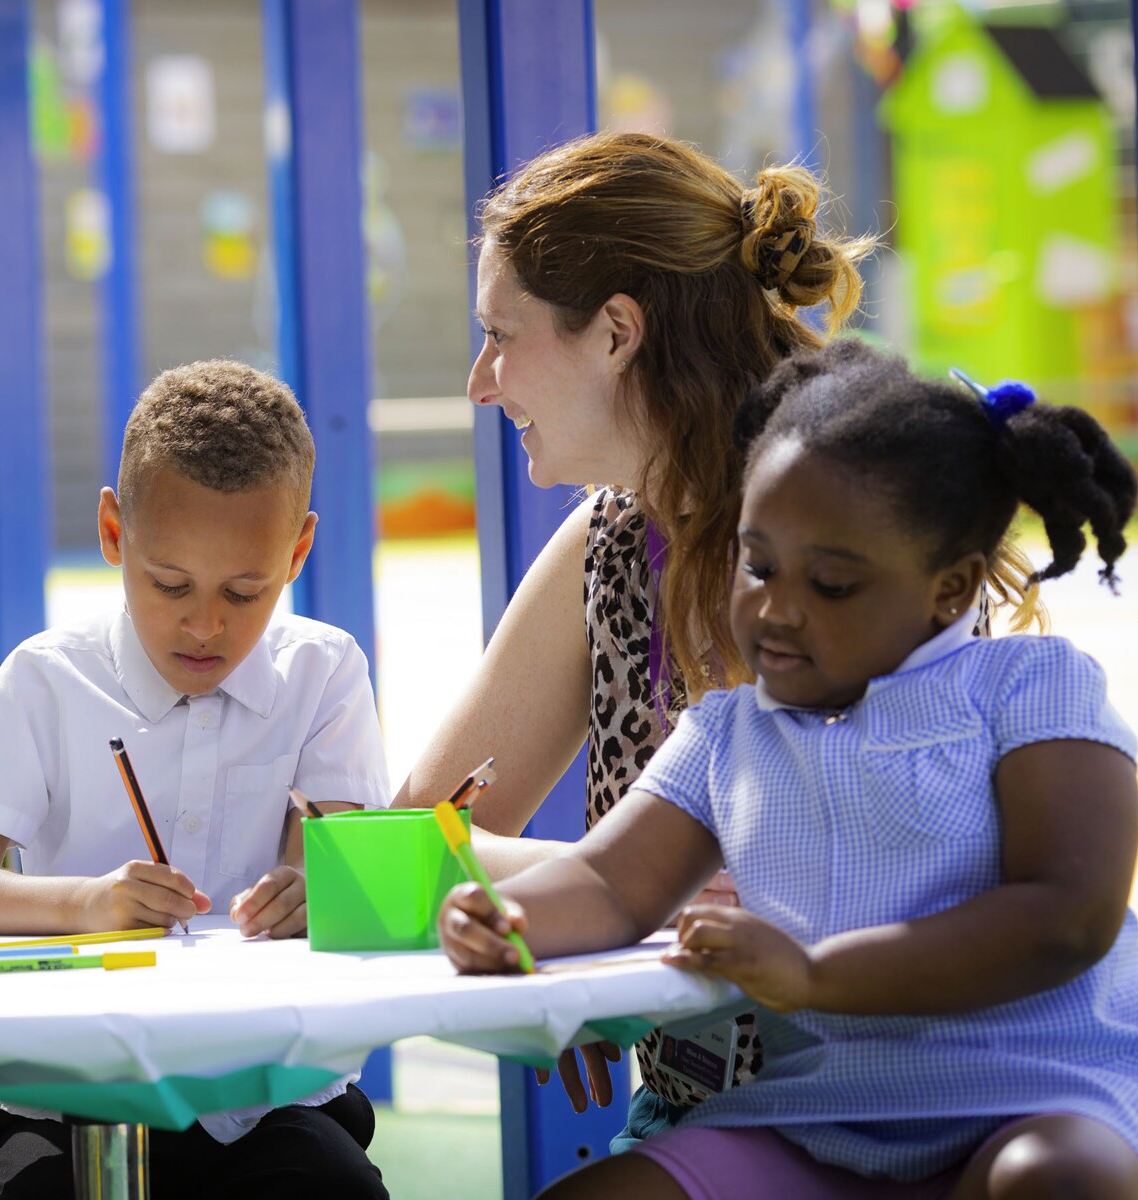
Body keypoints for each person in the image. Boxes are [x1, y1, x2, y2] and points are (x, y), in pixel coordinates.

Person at [441, 341, 1138, 1199]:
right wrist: (509, 915)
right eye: (759, 564)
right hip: (816, 1125)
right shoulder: (729, 732)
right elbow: (609, 884)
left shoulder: (1030, 690)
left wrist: (817, 975)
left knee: (1059, 1181)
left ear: (951, 588)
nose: (777, 608)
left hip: (1041, 1102)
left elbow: (1066, 915)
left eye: (831, 584)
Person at [396, 129, 1001, 1133]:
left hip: (923, 1103)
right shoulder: (607, 544)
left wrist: (608, 907)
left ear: (615, 332)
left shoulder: (856, 521)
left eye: (500, 334)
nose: (479, 380)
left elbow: (906, 864)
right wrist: (597, 913)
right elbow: (417, 834)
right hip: (704, 1109)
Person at [0, 360, 391, 1199]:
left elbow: (335, 861)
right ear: (112, 530)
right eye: (169, 584)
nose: (205, 625)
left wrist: (315, 888)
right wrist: (83, 905)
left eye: (247, 591)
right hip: (69, 1095)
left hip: (271, 1092)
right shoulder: (48, 678)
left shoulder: (325, 671)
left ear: (299, 550)